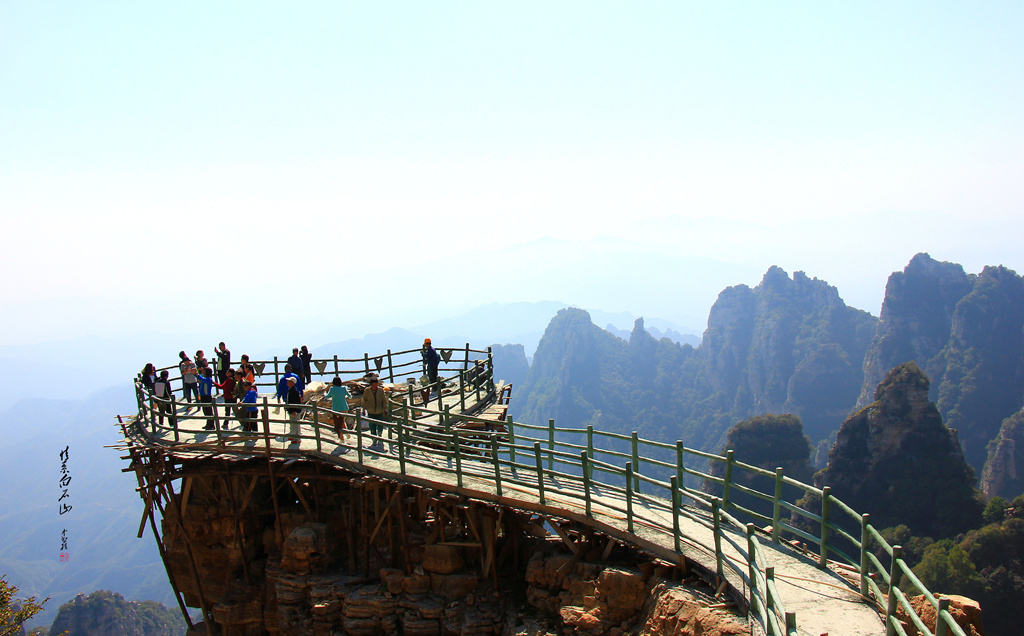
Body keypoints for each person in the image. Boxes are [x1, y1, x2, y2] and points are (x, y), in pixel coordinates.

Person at [362, 377, 389, 450]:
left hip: (379, 410)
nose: (374, 386)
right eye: (373, 385)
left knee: (380, 424)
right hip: (371, 411)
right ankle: (374, 438)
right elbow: (364, 400)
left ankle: (379, 434)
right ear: (371, 385)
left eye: (376, 385)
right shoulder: (367, 391)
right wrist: (363, 409)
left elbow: (384, 399)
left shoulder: (380, 390)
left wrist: (385, 408)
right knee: (372, 425)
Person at [326, 376, 351, 441]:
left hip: (336, 408)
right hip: (344, 407)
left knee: (338, 424)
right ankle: (347, 433)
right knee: (342, 421)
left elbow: (327, 396)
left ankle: (341, 438)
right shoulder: (344, 388)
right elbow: (350, 396)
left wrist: (324, 394)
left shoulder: (332, 389)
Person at [285, 376, 302, 444]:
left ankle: (297, 438)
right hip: (291, 410)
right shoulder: (290, 390)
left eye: (289, 381)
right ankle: (293, 436)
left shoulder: (295, 391)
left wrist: (294, 410)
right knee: (292, 424)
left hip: (295, 411)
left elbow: (297, 402)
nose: (287, 382)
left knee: (296, 425)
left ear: (292, 383)